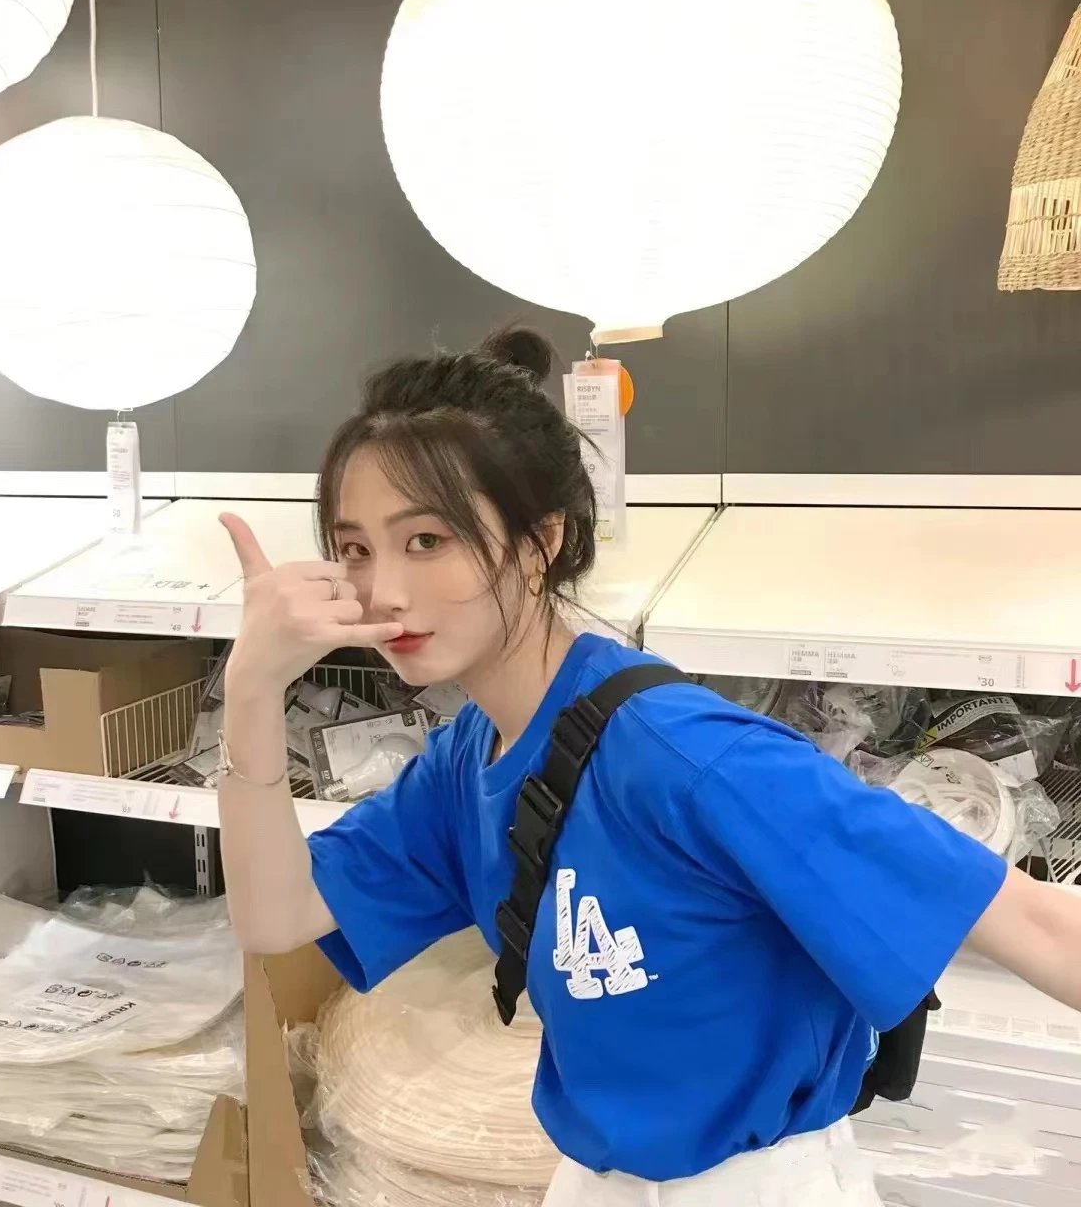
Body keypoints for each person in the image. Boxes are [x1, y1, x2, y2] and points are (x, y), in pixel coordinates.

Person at [216, 326, 1081, 1207]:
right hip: (597, 1180)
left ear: (539, 542)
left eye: (427, 540)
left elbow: (1038, 923)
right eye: (355, 549)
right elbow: (275, 916)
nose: (383, 592)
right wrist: (251, 688)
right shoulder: (469, 759)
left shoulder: (689, 758)